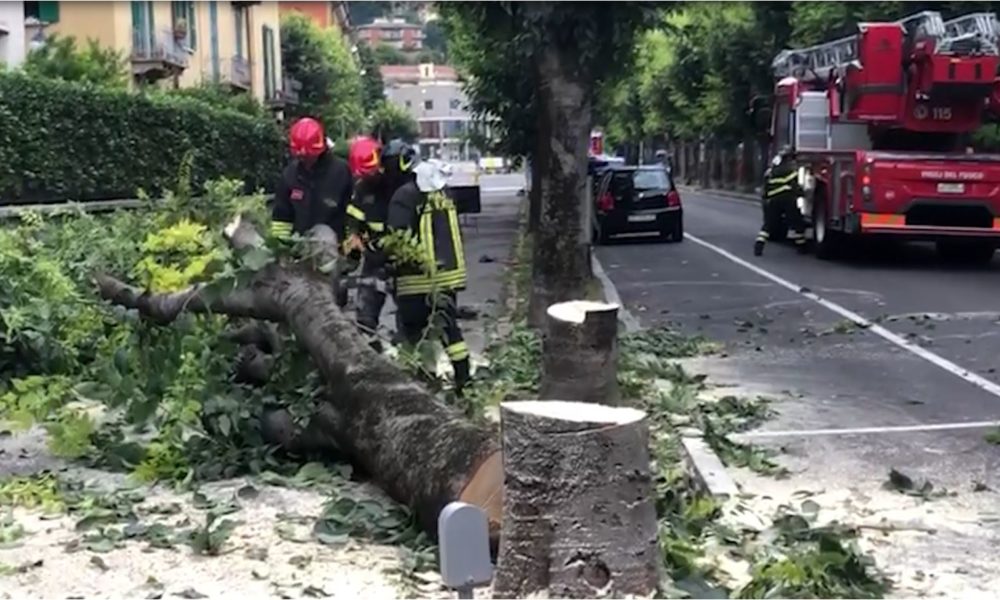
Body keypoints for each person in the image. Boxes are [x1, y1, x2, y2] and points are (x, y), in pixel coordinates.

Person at [383, 142, 470, 396]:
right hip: (447, 277)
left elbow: (397, 238)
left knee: (412, 333)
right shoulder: (442, 191)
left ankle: (422, 385)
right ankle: (464, 382)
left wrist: (384, 261)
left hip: (415, 279)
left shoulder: (404, 195)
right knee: (449, 330)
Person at [270, 117, 353, 245]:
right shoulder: (290, 174)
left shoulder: (341, 172)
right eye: (301, 156)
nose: (305, 159)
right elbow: (282, 216)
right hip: (300, 249)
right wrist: (281, 247)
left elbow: (351, 212)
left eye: (309, 155)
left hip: (334, 249)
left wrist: (350, 239)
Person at [344, 135, 393, 351]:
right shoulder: (362, 188)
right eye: (364, 174)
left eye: (371, 171)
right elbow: (354, 217)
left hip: (402, 258)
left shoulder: (396, 184)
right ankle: (372, 355)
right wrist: (353, 237)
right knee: (365, 314)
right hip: (374, 257)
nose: (368, 177)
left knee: (412, 315)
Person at [754, 145, 807, 257]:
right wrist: (802, 194)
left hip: (773, 200)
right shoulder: (791, 170)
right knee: (797, 222)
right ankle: (801, 247)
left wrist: (767, 198)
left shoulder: (772, 171)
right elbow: (796, 186)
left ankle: (759, 246)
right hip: (788, 200)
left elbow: (766, 187)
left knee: (768, 225)